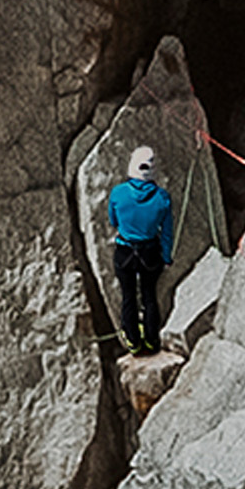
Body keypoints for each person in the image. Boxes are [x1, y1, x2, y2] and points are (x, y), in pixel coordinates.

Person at [104, 141, 178, 350]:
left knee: (128, 297)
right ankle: (152, 339)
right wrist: (166, 257)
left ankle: (133, 341)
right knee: (149, 296)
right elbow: (167, 233)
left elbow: (113, 220)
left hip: (125, 250)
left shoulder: (118, 193)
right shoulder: (162, 198)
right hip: (150, 252)